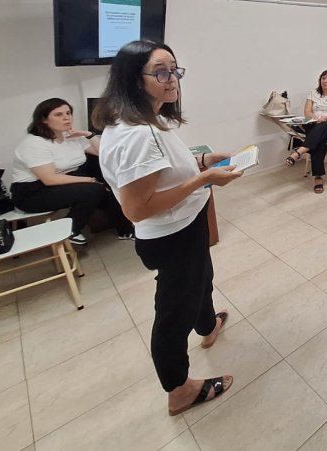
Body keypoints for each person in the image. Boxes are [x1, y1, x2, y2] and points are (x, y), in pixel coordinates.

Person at [94, 40, 243, 417]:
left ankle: (207, 325)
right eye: (161, 71)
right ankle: (179, 389)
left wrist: (202, 160)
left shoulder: (148, 120)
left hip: (186, 224)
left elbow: (164, 171)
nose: (172, 78)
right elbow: (137, 209)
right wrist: (204, 178)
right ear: (134, 79)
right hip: (170, 235)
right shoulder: (135, 135)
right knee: (173, 314)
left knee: (202, 279)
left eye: (175, 69)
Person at [10, 97, 133, 244]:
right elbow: (50, 179)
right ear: (44, 119)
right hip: (33, 192)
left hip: (64, 182)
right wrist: (88, 180)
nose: (66, 118)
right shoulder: (34, 143)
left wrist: (89, 135)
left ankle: (125, 230)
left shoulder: (70, 137)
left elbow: (104, 155)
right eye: (59, 115)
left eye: (68, 113)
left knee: (106, 188)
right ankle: (72, 230)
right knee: (94, 189)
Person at [284, 69, 327, 193]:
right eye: (323, 78)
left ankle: (300, 151)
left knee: (324, 127)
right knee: (319, 141)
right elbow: (307, 112)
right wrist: (316, 118)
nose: (325, 81)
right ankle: (317, 177)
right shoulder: (313, 94)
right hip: (315, 124)